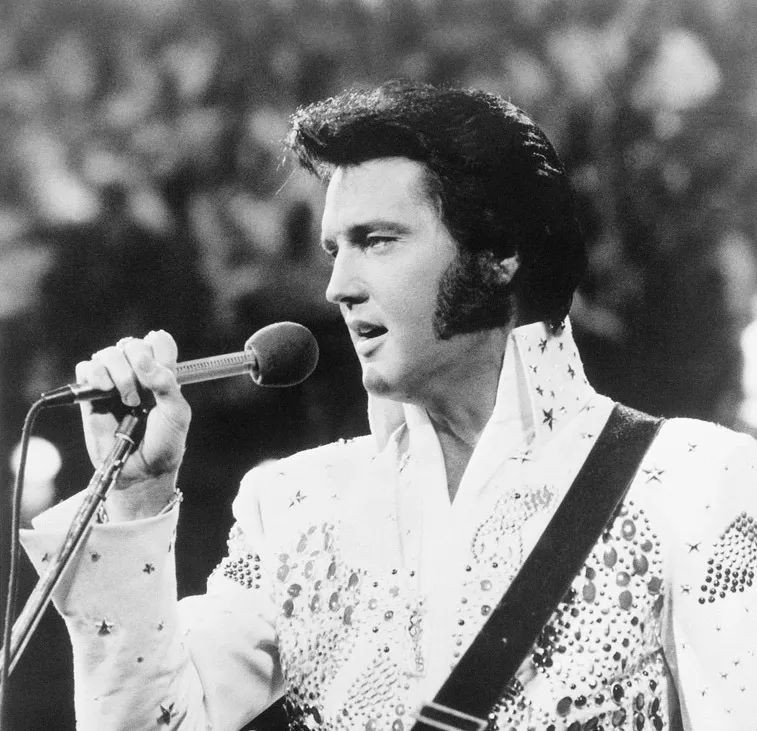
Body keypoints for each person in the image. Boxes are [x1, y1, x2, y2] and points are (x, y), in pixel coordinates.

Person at [20, 82, 757, 730]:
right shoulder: (297, 509)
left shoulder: (693, 486)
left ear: (499, 252)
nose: (337, 286)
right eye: (333, 249)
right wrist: (138, 495)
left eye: (376, 241)